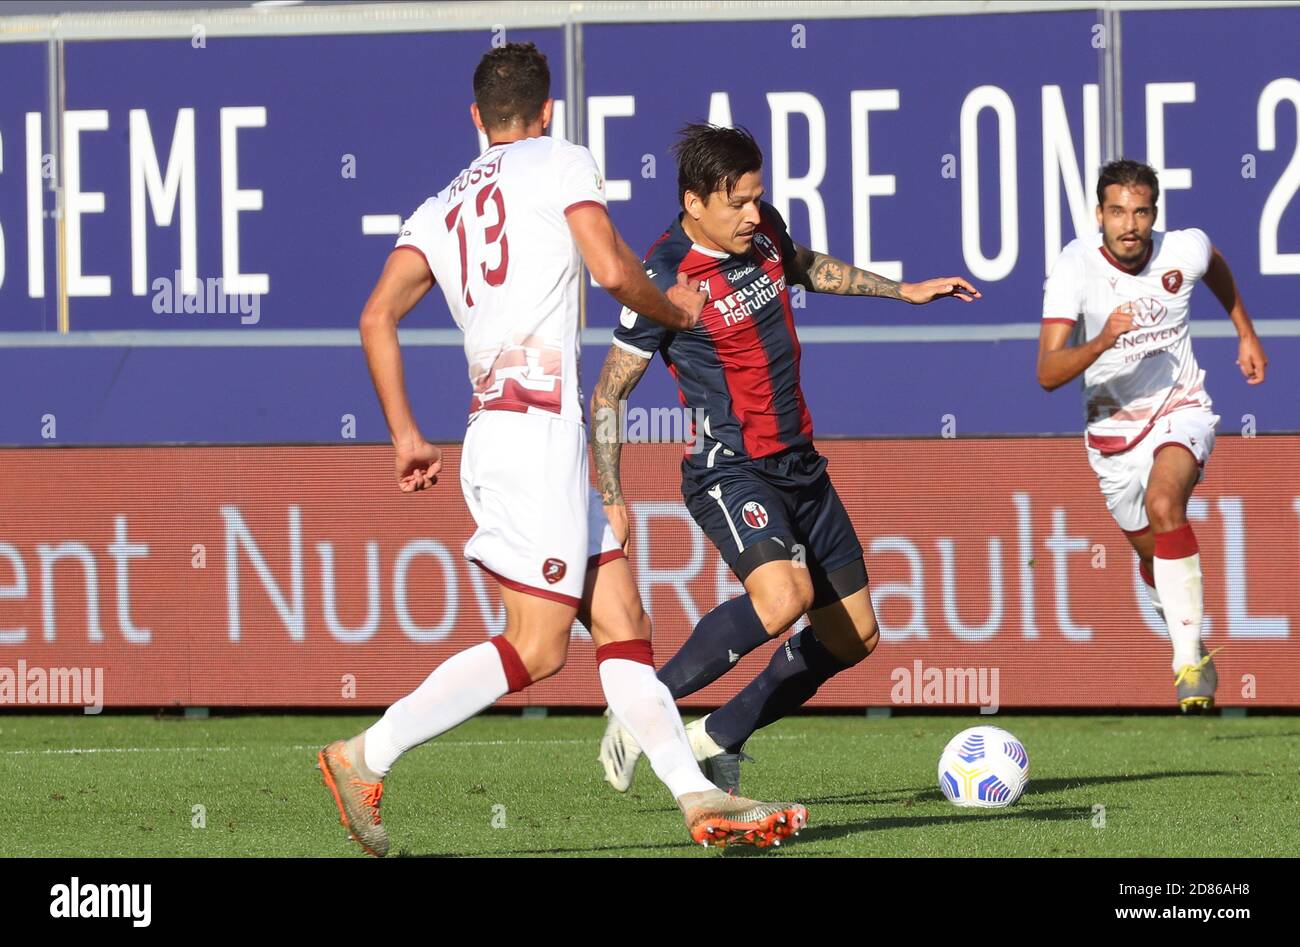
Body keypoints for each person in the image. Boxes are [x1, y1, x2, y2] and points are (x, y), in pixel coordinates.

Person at [318, 45, 808, 855]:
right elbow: (613, 268)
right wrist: (680, 311)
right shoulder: (561, 158)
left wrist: (405, 431)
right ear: (548, 113)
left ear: (477, 118)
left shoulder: (440, 206)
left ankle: (696, 798)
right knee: (539, 646)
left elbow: (376, 316)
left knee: (622, 621)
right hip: (531, 433)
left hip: (517, 430)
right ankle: (362, 755)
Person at [593, 123, 980, 793]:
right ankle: (639, 705)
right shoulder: (662, 277)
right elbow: (608, 392)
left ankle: (718, 735)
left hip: (801, 464)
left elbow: (801, 264)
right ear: (693, 203)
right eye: (736, 203)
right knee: (783, 598)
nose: (753, 213)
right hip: (730, 468)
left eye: (756, 198)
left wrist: (903, 289)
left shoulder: (763, 229)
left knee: (855, 636)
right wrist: (610, 494)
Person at [1036, 158, 1267, 712]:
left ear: (1154, 214)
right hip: (1112, 435)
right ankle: (1189, 638)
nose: (1130, 224)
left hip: (1180, 408)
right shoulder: (1074, 268)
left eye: (1140, 212)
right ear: (1100, 215)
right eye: (1118, 212)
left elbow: (1214, 265)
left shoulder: (1181, 249)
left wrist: (1245, 333)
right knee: (1151, 557)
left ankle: (1186, 659)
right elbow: (1046, 373)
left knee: (1167, 503)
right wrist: (1102, 341)